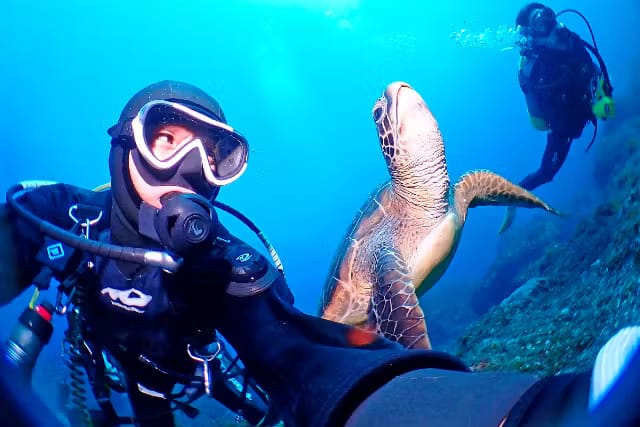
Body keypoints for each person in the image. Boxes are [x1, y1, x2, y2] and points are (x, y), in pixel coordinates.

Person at [1, 80, 639, 427]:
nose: (188, 172)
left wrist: (523, 412)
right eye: (165, 141)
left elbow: (318, 361)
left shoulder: (228, 266)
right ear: (124, 145)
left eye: (215, 156)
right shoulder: (57, 217)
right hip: (112, 376)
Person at [499, 3, 615, 232]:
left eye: (549, 18)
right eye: (541, 24)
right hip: (562, 129)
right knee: (547, 173)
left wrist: (602, 95)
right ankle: (510, 197)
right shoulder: (538, 70)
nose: (552, 27)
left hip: (583, 110)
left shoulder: (571, 41)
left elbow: (594, 70)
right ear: (533, 35)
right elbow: (547, 116)